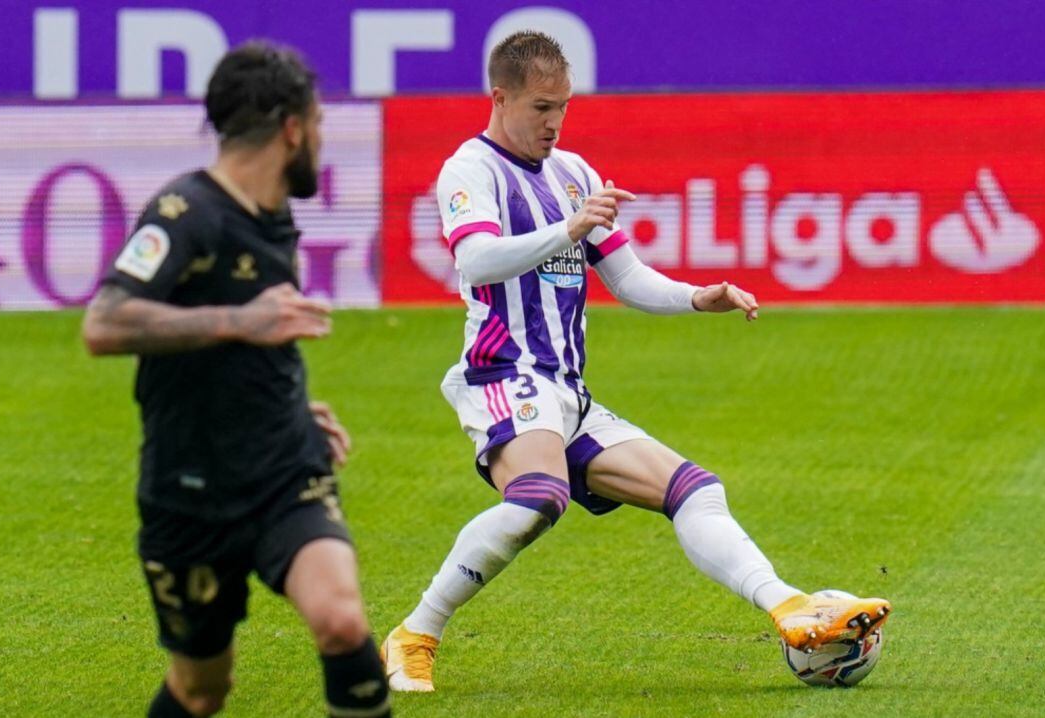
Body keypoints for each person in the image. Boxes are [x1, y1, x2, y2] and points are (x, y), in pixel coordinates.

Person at [380, 30, 890, 692]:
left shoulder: (574, 174)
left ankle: (792, 608)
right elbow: (475, 260)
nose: (554, 123)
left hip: (567, 392)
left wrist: (697, 297)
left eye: (563, 106)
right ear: (499, 98)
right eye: (540, 107)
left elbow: (628, 279)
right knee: (539, 497)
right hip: (503, 374)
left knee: (695, 489)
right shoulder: (470, 170)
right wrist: (567, 229)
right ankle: (415, 633)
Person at [82, 42, 390, 718]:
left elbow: (257, 336)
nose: (320, 139)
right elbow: (103, 324)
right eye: (317, 124)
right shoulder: (185, 212)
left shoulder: (274, 215)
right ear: (291, 128)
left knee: (341, 620)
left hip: (284, 472)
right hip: (187, 494)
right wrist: (239, 321)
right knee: (201, 690)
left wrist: (287, 404)